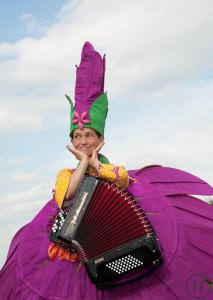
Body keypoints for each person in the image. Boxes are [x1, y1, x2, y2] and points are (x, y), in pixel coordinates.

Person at [0, 41, 213, 300]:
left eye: (89, 135)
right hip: (77, 255)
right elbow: (66, 197)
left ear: (100, 139)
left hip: (118, 244)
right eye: (77, 136)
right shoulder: (65, 175)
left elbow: (122, 180)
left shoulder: (110, 168)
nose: (82, 141)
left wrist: (96, 165)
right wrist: (81, 163)